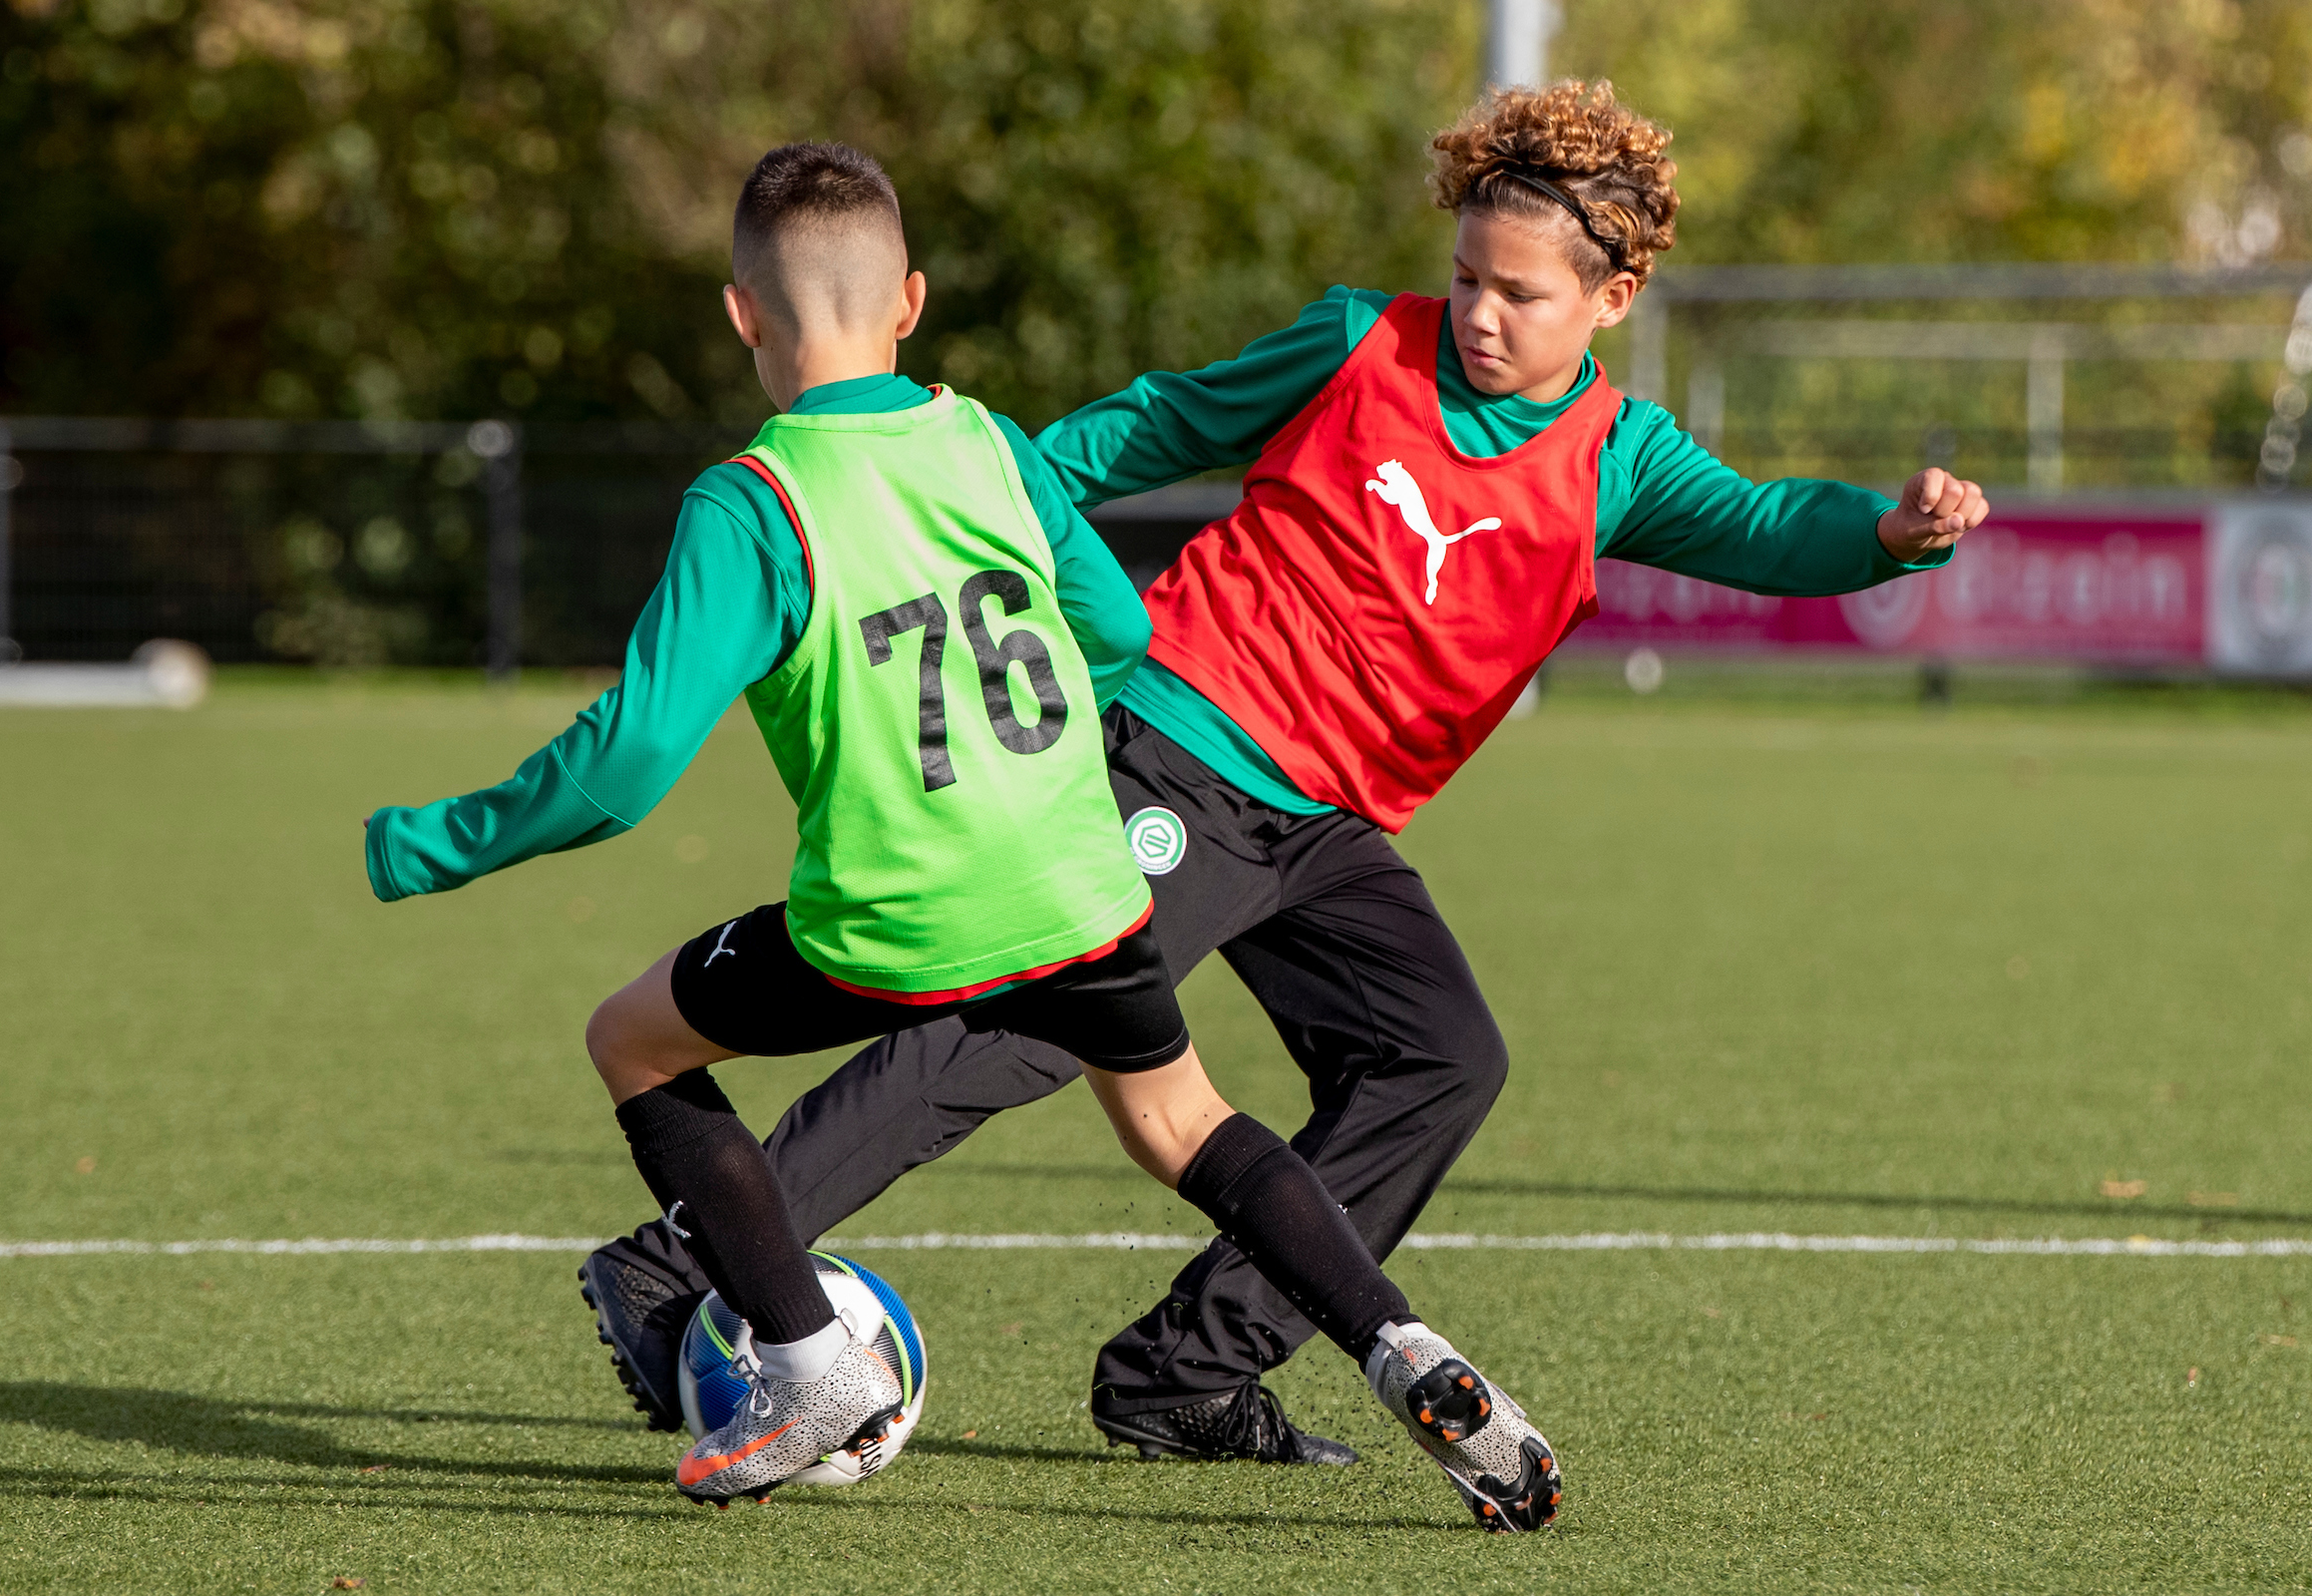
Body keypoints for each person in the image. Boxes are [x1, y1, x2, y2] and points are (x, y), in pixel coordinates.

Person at [580, 82, 1989, 1471]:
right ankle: (677, 1266)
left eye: (1522, 294)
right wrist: (967, 498)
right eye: (1467, 277)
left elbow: (1768, 527)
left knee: (1439, 1062)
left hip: (1327, 826)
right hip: (1181, 748)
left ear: (1612, 302)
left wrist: (1891, 529)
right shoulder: (1359, 345)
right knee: (1010, 1031)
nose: (1482, 313)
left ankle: (1185, 1374)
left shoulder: (1620, 462)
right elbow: (1144, 429)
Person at [369, 141, 1563, 1528]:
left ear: (742, 315)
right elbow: (1117, 625)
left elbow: (625, 771)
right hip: (1090, 887)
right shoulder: (987, 440)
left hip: (897, 919)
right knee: (1184, 1120)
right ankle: (1394, 1342)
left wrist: (434, 844)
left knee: (632, 1041)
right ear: (913, 301)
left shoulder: (750, 501)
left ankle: (806, 1362)